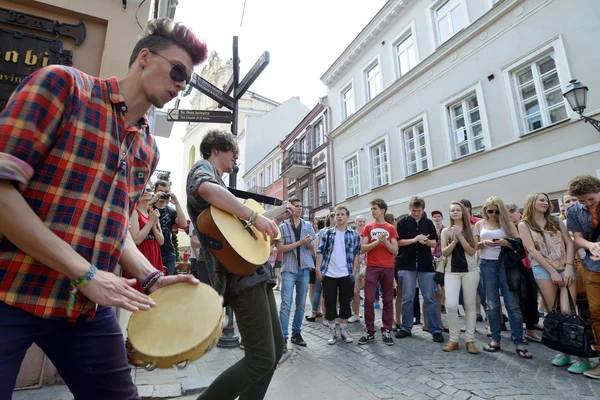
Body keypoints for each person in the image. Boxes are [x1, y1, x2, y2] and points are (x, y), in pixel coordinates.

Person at [0, 18, 204, 399]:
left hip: (83, 310)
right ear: (144, 57)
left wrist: (150, 277)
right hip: (10, 290)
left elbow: (116, 229)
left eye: (186, 80)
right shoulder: (63, 86)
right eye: (178, 71)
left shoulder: (148, 149)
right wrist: (85, 272)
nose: (180, 84)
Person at [187, 130, 293, 399]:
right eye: (233, 151)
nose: (236, 157)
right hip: (239, 273)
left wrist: (269, 221)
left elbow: (241, 226)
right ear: (216, 149)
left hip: (255, 270)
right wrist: (254, 217)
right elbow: (205, 188)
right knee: (260, 357)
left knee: (276, 348)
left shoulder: (227, 196)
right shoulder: (204, 169)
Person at [519, 193, 589, 373]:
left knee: (568, 310)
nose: (545, 203)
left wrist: (568, 267)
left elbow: (570, 243)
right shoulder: (524, 224)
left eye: (546, 200)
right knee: (554, 312)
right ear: (531, 203)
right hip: (543, 270)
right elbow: (532, 251)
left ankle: (582, 357)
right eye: (541, 200)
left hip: (565, 267)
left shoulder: (556, 221)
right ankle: (564, 352)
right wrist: (551, 271)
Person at [475, 196, 532, 359]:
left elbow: (519, 243)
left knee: (512, 303)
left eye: (496, 211)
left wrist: (504, 242)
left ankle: (519, 341)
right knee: (491, 303)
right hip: (486, 264)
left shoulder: (507, 224)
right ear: (485, 210)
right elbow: (473, 246)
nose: (493, 214)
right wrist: (485, 243)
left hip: (506, 266)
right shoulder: (480, 224)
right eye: (489, 210)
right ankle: (495, 339)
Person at [396, 196, 444, 343]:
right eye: (413, 210)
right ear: (409, 209)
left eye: (419, 211)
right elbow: (399, 242)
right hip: (406, 264)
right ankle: (406, 327)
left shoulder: (428, 223)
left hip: (425, 265)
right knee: (407, 298)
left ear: (423, 210)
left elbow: (434, 244)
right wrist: (414, 239)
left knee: (429, 298)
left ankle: (435, 329)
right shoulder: (402, 223)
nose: (416, 213)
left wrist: (425, 241)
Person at [566, 175, 600, 379]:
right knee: (596, 313)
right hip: (592, 267)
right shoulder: (573, 211)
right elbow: (577, 238)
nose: (586, 204)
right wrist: (591, 246)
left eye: (590, 200)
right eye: (581, 201)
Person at [276, 197, 317, 349]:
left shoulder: (307, 225)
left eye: (301, 206)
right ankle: (283, 336)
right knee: (286, 304)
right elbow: (280, 248)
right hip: (289, 269)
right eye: (297, 206)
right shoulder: (282, 227)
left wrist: (309, 243)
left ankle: (296, 333)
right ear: (290, 209)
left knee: (301, 304)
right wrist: (299, 243)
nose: (300, 209)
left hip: (304, 268)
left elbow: (312, 249)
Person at [316, 206, 361, 345]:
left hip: (345, 273)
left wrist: (353, 272)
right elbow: (320, 251)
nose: (339, 217)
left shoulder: (354, 234)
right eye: (337, 214)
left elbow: (357, 255)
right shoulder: (327, 233)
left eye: (342, 214)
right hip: (329, 273)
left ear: (347, 217)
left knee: (345, 302)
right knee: (329, 302)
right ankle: (332, 330)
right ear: (334, 217)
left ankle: (343, 329)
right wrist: (318, 269)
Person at [440, 202, 479, 354]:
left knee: (470, 305)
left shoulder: (472, 229)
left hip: (470, 270)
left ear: (463, 212)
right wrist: (454, 240)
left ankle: (470, 340)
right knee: (450, 305)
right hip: (451, 271)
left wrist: (460, 236)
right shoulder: (445, 231)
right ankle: (454, 340)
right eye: (452, 211)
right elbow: (444, 252)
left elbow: (471, 251)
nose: (455, 212)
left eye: (457, 210)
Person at [358, 198, 398, 346]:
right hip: (372, 267)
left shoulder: (390, 228)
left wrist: (385, 241)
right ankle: (369, 330)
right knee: (368, 300)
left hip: (388, 267)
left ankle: (386, 330)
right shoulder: (368, 227)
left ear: (382, 210)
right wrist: (377, 242)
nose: (372, 211)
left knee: (387, 300)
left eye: (375, 208)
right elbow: (363, 248)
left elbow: (395, 251)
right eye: (372, 209)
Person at [507, 203, 542, 343]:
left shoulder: (523, 225)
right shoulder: (509, 226)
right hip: (519, 265)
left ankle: (532, 323)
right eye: (510, 214)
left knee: (532, 295)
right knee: (524, 297)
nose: (518, 215)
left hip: (530, 264)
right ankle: (528, 329)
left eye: (514, 213)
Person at [150, 179, 189, 275]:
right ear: (155, 192)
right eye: (160, 191)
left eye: (166, 192)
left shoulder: (171, 211)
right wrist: (152, 200)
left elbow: (183, 224)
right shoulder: (149, 208)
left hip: (168, 253)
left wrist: (177, 204)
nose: (163, 194)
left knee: (167, 284)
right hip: (152, 252)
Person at [350, 215, 367, 323]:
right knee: (355, 291)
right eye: (359, 221)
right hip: (355, 264)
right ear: (355, 223)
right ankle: (355, 313)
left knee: (368, 292)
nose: (361, 223)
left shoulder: (367, 234)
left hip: (367, 264)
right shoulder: (352, 235)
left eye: (363, 221)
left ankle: (369, 316)